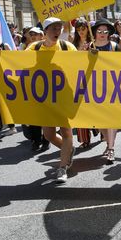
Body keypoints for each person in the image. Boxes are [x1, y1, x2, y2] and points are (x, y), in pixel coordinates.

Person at [26, 17, 77, 183]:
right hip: (44, 97)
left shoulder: (67, 47)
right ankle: (68, 150)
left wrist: (90, 56)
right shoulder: (34, 47)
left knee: (66, 132)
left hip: (64, 96)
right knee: (48, 135)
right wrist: (0, 55)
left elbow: (80, 66)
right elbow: (19, 64)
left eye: (59, 28)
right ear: (45, 31)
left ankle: (62, 168)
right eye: (53, 28)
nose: (57, 31)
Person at [90, 19, 121, 163]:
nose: (102, 34)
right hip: (94, 88)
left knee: (110, 119)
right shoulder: (88, 46)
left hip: (113, 86)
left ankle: (111, 148)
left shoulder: (114, 46)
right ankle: (109, 141)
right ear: (94, 33)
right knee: (97, 121)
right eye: (99, 31)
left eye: (105, 31)